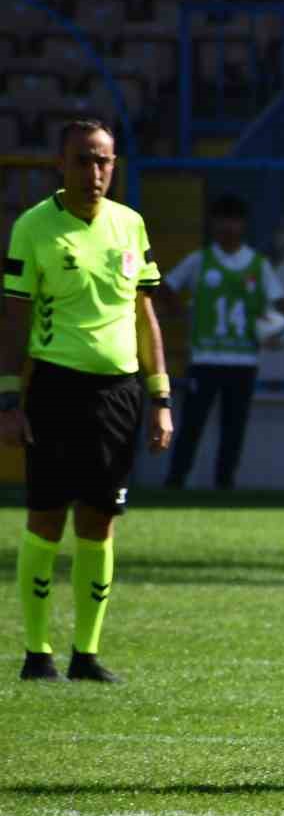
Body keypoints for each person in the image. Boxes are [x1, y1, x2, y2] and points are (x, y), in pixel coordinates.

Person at [2, 118, 173, 683]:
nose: (94, 171)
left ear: (114, 165)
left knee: (100, 521)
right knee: (47, 517)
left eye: (103, 160)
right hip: (55, 388)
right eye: (83, 160)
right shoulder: (33, 228)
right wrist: (10, 399)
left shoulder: (130, 225)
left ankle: (86, 654)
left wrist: (160, 395)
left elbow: (144, 316)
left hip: (119, 393)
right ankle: (36, 652)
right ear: (60, 164)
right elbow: (15, 318)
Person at [159, 193, 284, 490]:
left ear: (243, 224)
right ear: (214, 223)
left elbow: (281, 302)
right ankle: (175, 483)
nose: (228, 226)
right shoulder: (199, 261)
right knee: (191, 426)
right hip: (205, 358)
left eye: (234, 220)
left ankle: (224, 486)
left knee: (233, 430)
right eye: (222, 219)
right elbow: (165, 287)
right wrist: (182, 312)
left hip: (242, 360)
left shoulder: (256, 265)